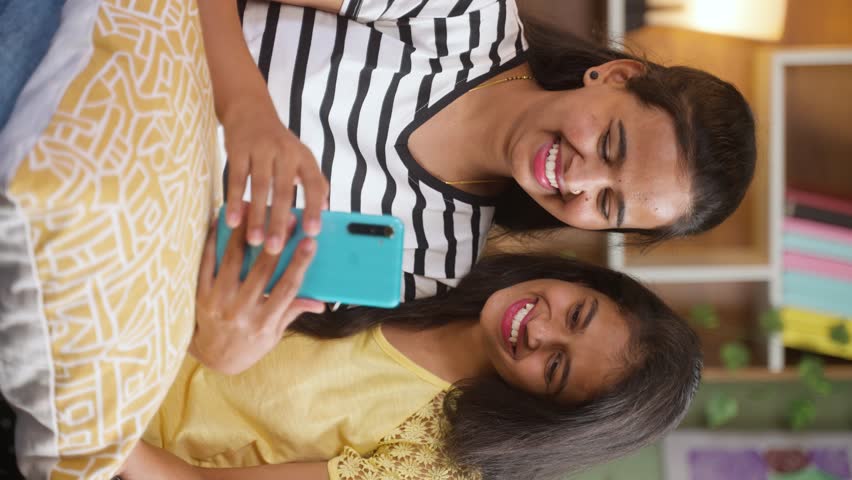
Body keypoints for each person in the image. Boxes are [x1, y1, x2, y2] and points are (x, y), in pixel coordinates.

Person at [198, 0, 756, 301]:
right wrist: (247, 110)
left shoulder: (440, 258)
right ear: (615, 75)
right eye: (610, 145)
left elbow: (226, 276)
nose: (580, 181)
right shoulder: (467, 16)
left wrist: (228, 338)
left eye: (608, 205)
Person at [117, 221, 702, 480]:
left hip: (108, 429)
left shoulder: (433, 463)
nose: (540, 330)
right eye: (577, 314)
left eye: (555, 367)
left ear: (543, 409)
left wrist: (95, 420)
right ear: (586, 282)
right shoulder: (437, 249)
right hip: (129, 302)